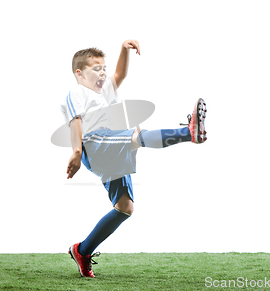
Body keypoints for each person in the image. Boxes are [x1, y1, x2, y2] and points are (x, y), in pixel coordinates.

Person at [61, 40, 207, 278]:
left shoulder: (103, 92)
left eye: (103, 68)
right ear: (79, 73)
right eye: (96, 68)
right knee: (136, 137)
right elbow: (75, 121)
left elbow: (120, 73)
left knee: (124, 208)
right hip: (95, 144)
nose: (103, 72)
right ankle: (188, 133)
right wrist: (76, 152)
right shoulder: (77, 92)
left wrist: (123, 49)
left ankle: (82, 250)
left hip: (111, 147)